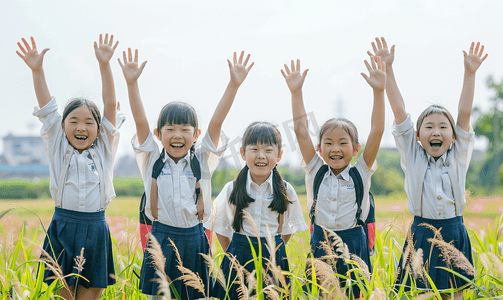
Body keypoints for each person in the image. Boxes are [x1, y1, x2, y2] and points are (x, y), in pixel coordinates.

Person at [119, 48, 253, 299]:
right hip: (160, 237)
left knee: (196, 295)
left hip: (194, 239)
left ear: (196, 135)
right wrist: (132, 83)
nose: (177, 135)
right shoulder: (150, 160)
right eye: (170, 129)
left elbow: (216, 123)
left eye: (184, 129)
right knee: (159, 296)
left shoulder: (203, 161)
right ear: (158, 135)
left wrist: (233, 85)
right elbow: (140, 122)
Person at [369, 37, 487, 299]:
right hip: (421, 232)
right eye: (429, 127)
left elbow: (464, 114)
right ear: (418, 136)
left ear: (454, 136)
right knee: (423, 293)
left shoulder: (459, 157)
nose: (436, 131)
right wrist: (388, 70)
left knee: (454, 292)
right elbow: (400, 114)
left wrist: (470, 73)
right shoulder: (413, 156)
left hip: (455, 230)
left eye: (443, 127)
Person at [17, 34, 121, 299]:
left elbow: (110, 106)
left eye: (89, 122)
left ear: (99, 130)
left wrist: (104, 65)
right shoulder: (58, 146)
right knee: (63, 293)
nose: (81, 127)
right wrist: (37, 70)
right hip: (63, 226)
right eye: (73, 120)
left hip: (96, 227)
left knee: (94, 289)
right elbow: (47, 109)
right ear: (63, 127)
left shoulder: (105, 150)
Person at [283, 57, 386, 299]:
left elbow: (377, 131)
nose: (335, 148)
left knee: (354, 295)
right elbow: (300, 131)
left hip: (354, 242)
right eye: (328, 143)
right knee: (322, 295)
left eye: (343, 143)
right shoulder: (316, 170)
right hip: (322, 241)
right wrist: (296, 93)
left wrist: (378, 92)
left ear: (356, 148)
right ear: (319, 149)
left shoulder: (361, 171)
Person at [210, 121, 308, 300]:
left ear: (279, 155)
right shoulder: (231, 188)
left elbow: (287, 231)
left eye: (268, 150)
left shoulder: (287, 190)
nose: (261, 156)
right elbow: (220, 227)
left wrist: (274, 249)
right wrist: (235, 250)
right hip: (238, 257)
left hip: (274, 257)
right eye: (254, 149)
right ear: (242, 153)